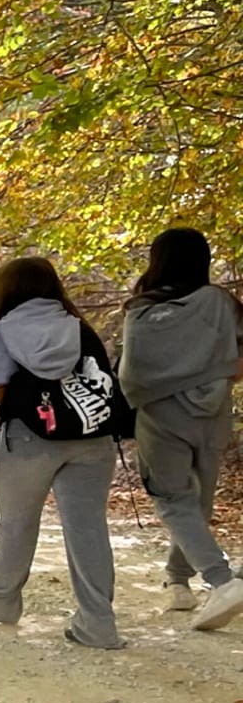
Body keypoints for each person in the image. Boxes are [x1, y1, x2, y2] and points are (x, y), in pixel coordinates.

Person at [0, 256, 125, 649]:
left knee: (18, 523)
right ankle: (98, 625)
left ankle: (0, 599)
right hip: (92, 438)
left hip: (30, 440)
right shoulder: (79, 328)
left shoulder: (2, 335)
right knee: (87, 529)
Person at [120, 227, 243, 630]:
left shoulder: (140, 310)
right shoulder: (220, 302)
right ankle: (178, 581)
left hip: (160, 417)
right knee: (198, 502)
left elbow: (133, 373)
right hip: (212, 413)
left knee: (175, 501)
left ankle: (220, 580)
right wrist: (212, 375)